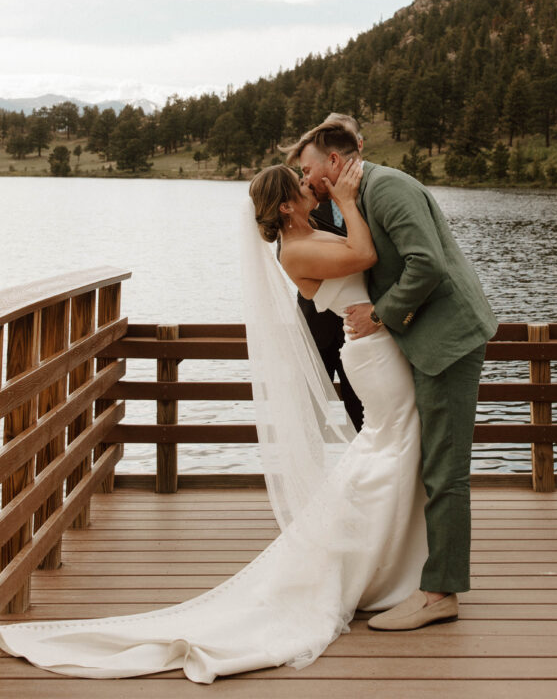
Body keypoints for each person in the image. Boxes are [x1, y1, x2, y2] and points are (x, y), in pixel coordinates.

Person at [0, 159, 430, 682]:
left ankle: (387, 561)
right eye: (301, 185)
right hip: (373, 358)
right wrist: (344, 198)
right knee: (390, 449)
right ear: (288, 206)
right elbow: (364, 253)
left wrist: (343, 201)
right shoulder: (295, 250)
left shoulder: (308, 233)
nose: (310, 185)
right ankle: (373, 567)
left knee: (389, 450)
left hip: (374, 350)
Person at [289, 120, 498, 631]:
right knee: (424, 462)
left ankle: (439, 595)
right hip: (419, 342)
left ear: (335, 163)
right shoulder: (353, 197)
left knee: (445, 470)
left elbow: (426, 265)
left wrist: (380, 315)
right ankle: (406, 576)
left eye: (309, 169)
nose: (307, 178)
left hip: (446, 342)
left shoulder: (389, 187)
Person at [288, 112, 364, 430]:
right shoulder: (306, 193)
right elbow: (288, 245)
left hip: (361, 329)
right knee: (309, 421)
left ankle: (366, 480)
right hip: (315, 324)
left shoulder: (371, 190)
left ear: (357, 145)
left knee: (364, 417)